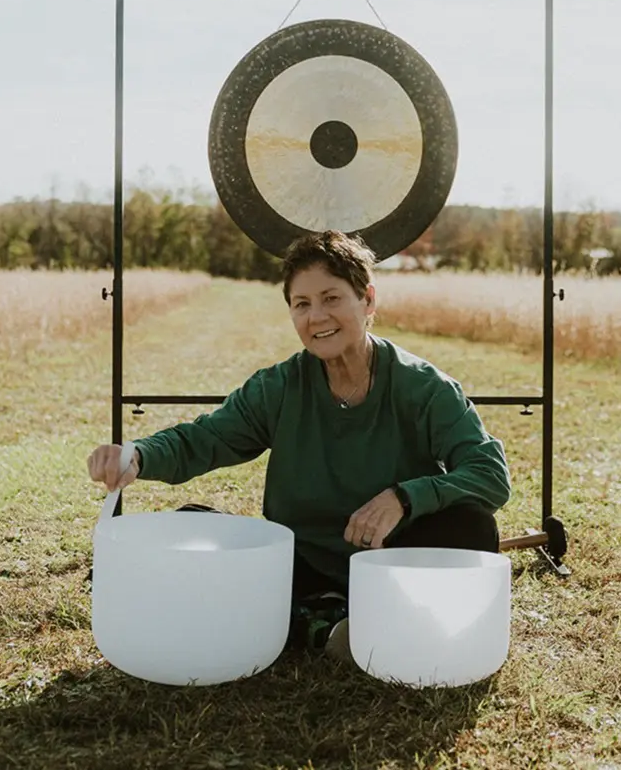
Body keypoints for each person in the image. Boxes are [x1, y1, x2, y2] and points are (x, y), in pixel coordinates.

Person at [87, 230, 511, 661]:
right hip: (297, 565)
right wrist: (139, 454)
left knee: (472, 527)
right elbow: (207, 437)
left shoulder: (424, 387)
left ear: (367, 300)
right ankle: (331, 623)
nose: (317, 317)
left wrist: (404, 497)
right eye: (302, 304)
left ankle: (325, 621)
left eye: (331, 298)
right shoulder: (279, 386)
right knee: (193, 528)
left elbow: (489, 474)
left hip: (393, 564)